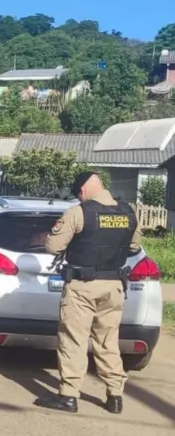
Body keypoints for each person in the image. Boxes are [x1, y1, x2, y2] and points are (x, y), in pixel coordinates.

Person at [36, 171, 142, 414]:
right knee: (108, 341)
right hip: (114, 286)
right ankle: (115, 396)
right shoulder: (128, 212)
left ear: (82, 191)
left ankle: (68, 396)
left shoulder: (79, 212)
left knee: (74, 340)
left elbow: (53, 246)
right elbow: (134, 246)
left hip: (82, 286)